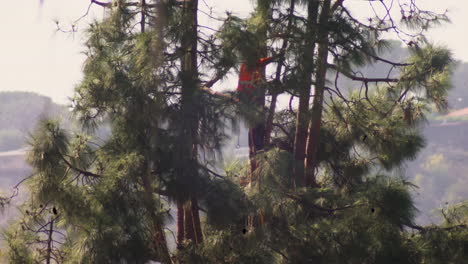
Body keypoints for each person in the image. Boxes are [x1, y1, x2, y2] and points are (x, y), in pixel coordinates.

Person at [237, 56, 274, 161]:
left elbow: (261, 62)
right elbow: (261, 62)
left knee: (256, 126)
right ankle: (258, 150)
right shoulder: (248, 66)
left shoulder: (247, 66)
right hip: (249, 101)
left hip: (248, 101)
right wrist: (276, 56)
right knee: (255, 126)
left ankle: (257, 149)